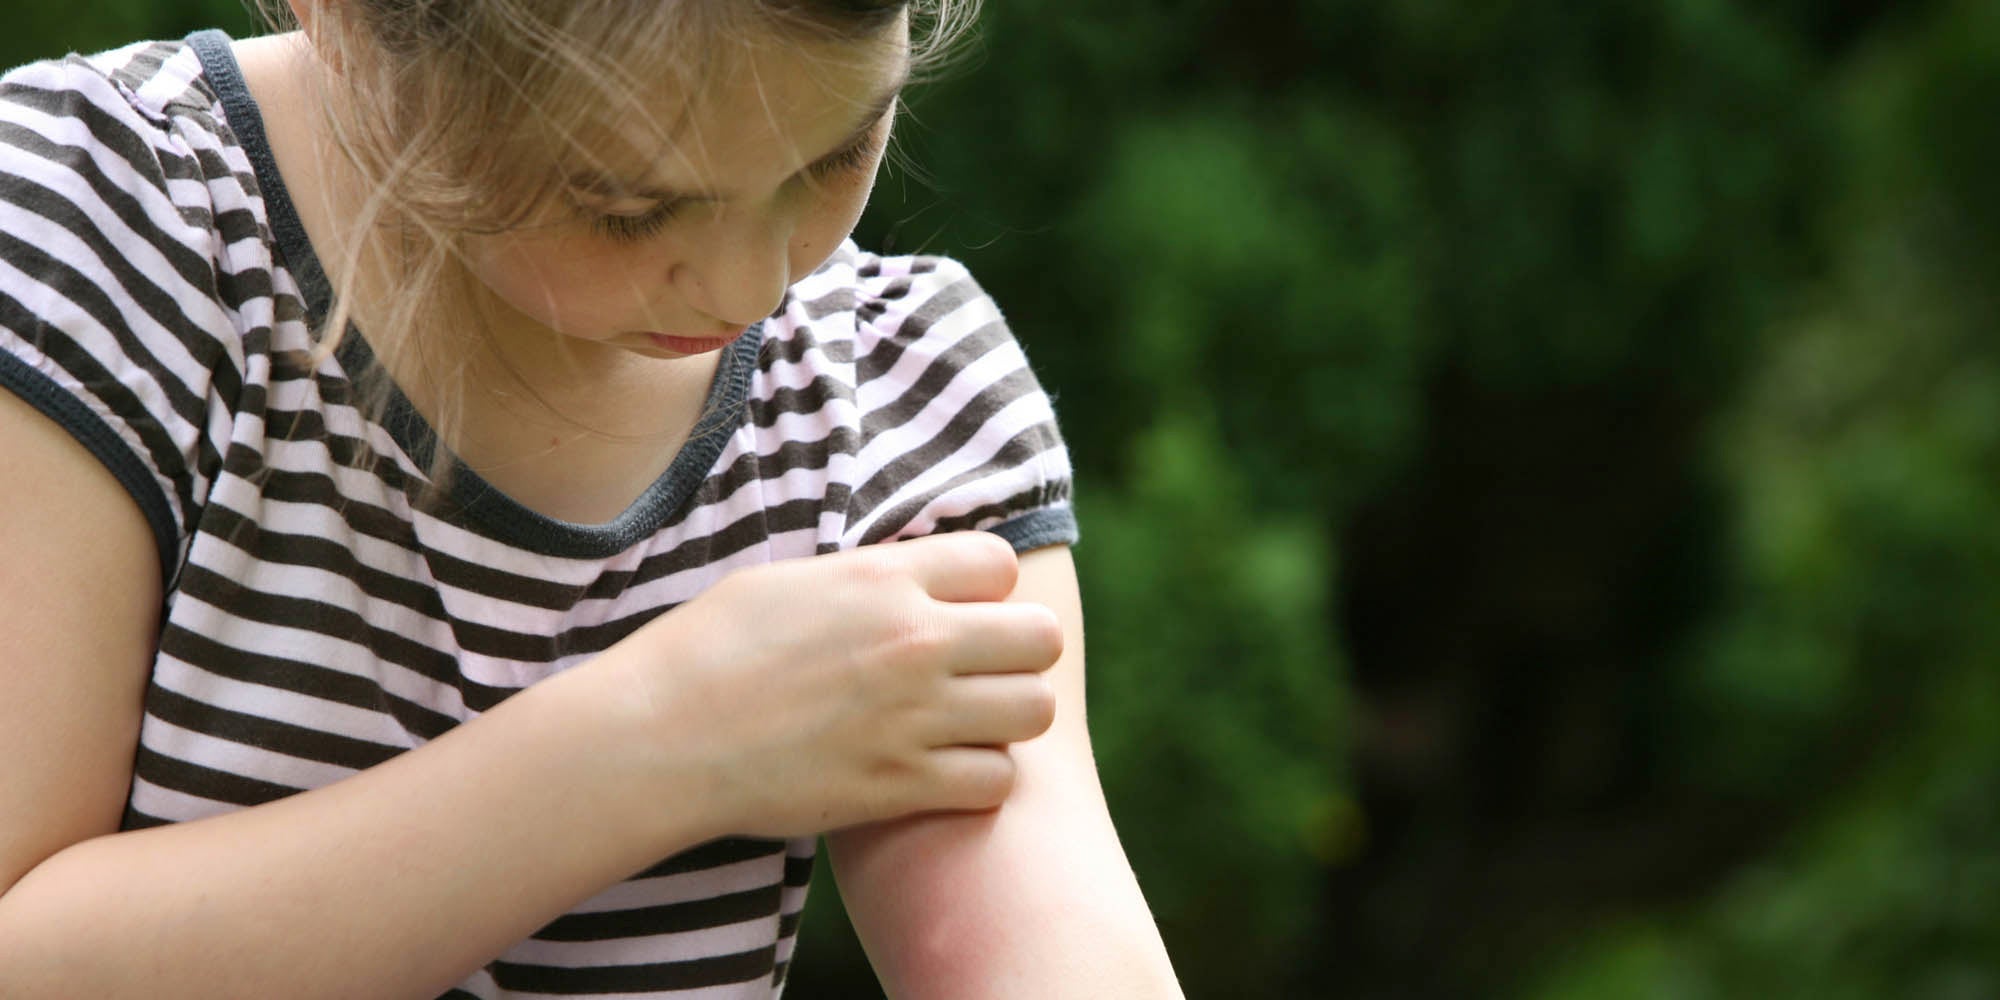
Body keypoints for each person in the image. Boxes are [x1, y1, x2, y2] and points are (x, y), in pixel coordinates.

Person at [0, 0, 1183, 996]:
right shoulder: (99, 230)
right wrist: (660, 738)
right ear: (347, 24)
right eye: (628, 207)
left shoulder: (893, 395)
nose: (753, 285)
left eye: (833, 154)